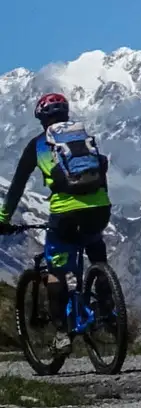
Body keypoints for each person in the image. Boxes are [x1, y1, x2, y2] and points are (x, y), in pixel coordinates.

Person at [0, 92, 113, 350]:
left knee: (56, 271)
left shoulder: (38, 145)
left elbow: (17, 185)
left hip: (65, 213)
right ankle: (109, 311)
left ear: (41, 118)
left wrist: (3, 218)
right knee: (97, 251)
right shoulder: (84, 139)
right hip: (99, 207)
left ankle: (62, 332)